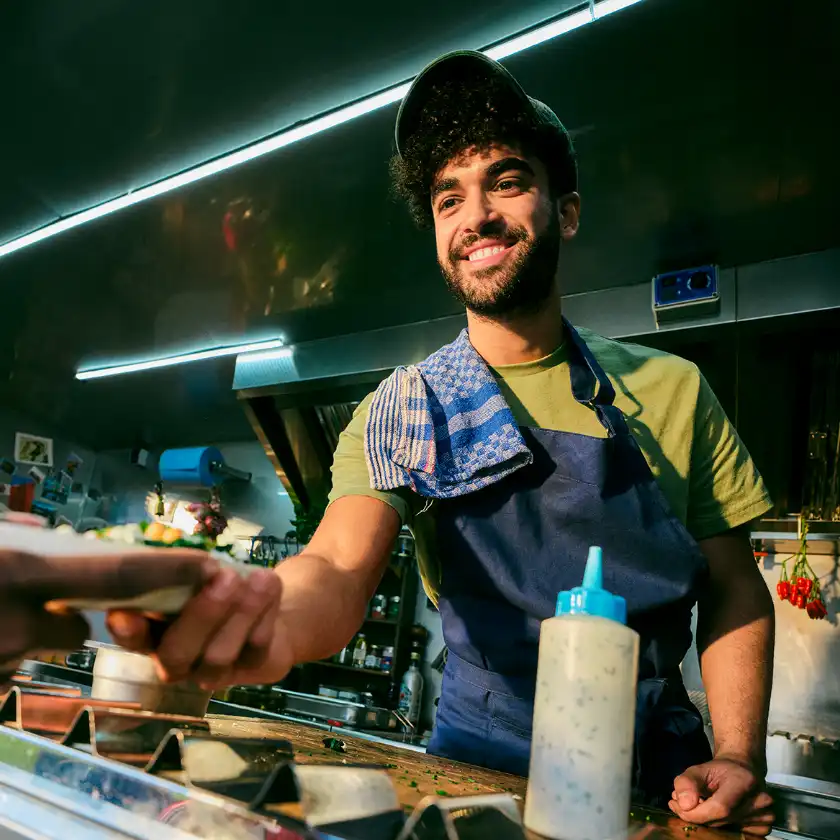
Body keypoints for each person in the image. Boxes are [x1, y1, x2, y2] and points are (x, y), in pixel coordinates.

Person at [108, 52, 776, 834]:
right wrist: (259, 618)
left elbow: (735, 587)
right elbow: (333, 569)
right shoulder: (407, 407)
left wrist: (736, 753)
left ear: (565, 211)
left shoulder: (672, 390)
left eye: (507, 181)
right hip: (477, 779)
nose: (476, 216)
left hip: (663, 785)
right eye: (447, 197)